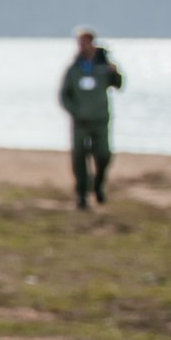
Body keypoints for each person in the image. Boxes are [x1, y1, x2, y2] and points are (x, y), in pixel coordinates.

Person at [57, 26, 124, 210]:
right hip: (80, 122)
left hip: (100, 120)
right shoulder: (73, 69)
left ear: (92, 42)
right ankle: (82, 195)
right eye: (79, 43)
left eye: (84, 42)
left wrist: (114, 71)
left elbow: (119, 85)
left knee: (103, 155)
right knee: (79, 158)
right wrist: (74, 112)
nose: (81, 46)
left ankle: (98, 183)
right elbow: (64, 95)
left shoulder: (103, 66)